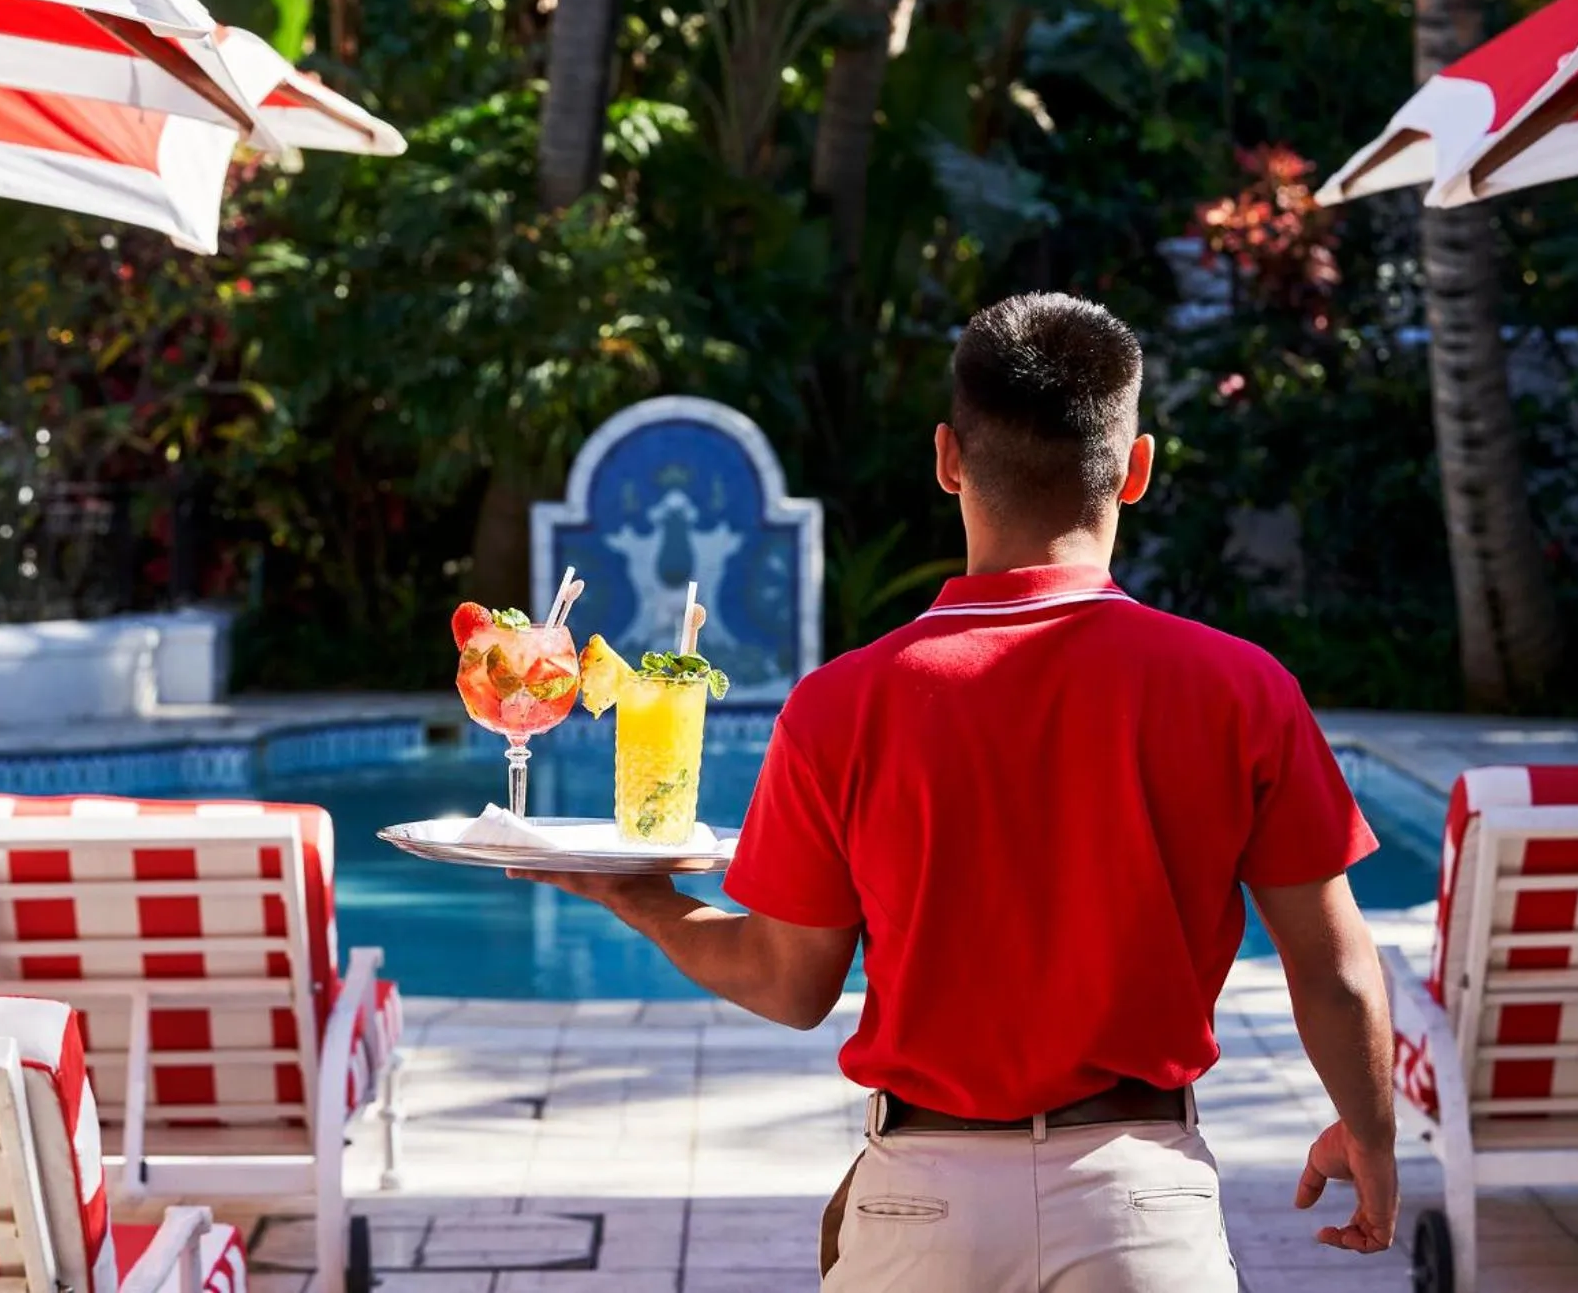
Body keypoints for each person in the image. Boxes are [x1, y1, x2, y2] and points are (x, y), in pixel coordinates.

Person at [517, 291, 1399, 1291]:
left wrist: (650, 905)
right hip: (1140, 1201)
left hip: (919, 1201)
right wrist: (1369, 1139)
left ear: (946, 459)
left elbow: (789, 981)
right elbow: (1332, 969)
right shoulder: (1240, 688)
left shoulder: (841, 703)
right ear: (1137, 468)